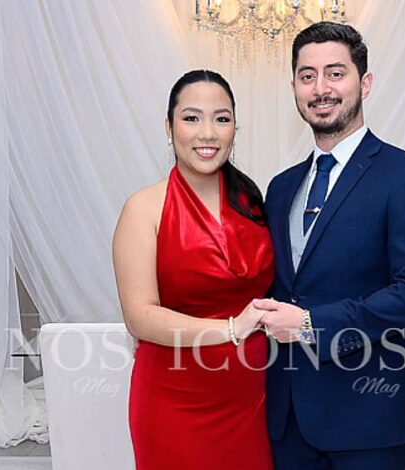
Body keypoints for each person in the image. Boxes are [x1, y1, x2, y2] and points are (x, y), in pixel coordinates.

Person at [253, 22, 405, 469]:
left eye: (335, 73)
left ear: (365, 82)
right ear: (295, 88)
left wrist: (309, 325)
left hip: (371, 419)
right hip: (288, 421)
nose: (321, 88)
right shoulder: (281, 188)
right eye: (307, 76)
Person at [112, 69, 274, 469]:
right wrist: (233, 329)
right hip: (174, 399)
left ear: (235, 128)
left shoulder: (254, 202)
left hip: (253, 397)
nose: (208, 133)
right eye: (191, 118)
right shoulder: (143, 208)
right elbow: (140, 316)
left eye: (221, 118)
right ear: (169, 128)